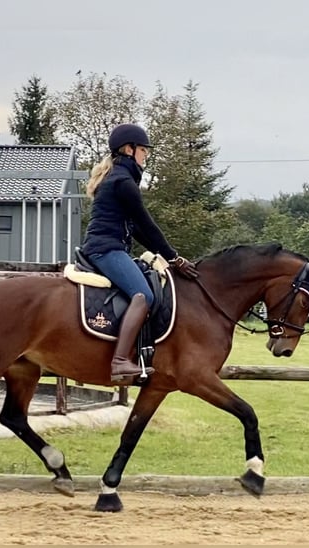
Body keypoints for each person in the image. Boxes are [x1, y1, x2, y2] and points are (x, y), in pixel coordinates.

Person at [80, 123, 198, 382]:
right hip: (106, 249)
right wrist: (174, 258)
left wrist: (170, 257)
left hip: (107, 247)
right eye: (143, 150)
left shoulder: (117, 179)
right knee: (143, 294)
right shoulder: (123, 182)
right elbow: (148, 226)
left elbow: (138, 231)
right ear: (128, 149)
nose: (146, 155)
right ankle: (120, 361)